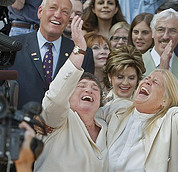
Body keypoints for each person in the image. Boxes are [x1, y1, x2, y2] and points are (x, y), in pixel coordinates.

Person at [97, 41, 178, 171]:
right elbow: (83, 115)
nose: (147, 82)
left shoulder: (171, 123)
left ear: (165, 99)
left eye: (155, 82)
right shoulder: (118, 109)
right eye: (147, 78)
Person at [34, 15, 108, 172]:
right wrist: (80, 49)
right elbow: (55, 98)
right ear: (68, 94)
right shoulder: (57, 120)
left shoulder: (107, 127)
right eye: (81, 86)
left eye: (95, 89)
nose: (88, 90)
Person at [9, 0, 94, 109]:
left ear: (68, 18)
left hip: (63, 124)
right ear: (40, 12)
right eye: (53, 8)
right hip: (18, 122)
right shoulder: (12, 47)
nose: (58, 15)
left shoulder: (83, 53)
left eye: (64, 12)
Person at [142, 8, 178, 89]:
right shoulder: (137, 62)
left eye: (172, 31)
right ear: (153, 33)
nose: (165, 36)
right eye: (161, 30)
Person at [84, 32, 111, 96]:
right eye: (96, 48)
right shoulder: (78, 82)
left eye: (106, 48)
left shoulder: (114, 80)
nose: (103, 52)